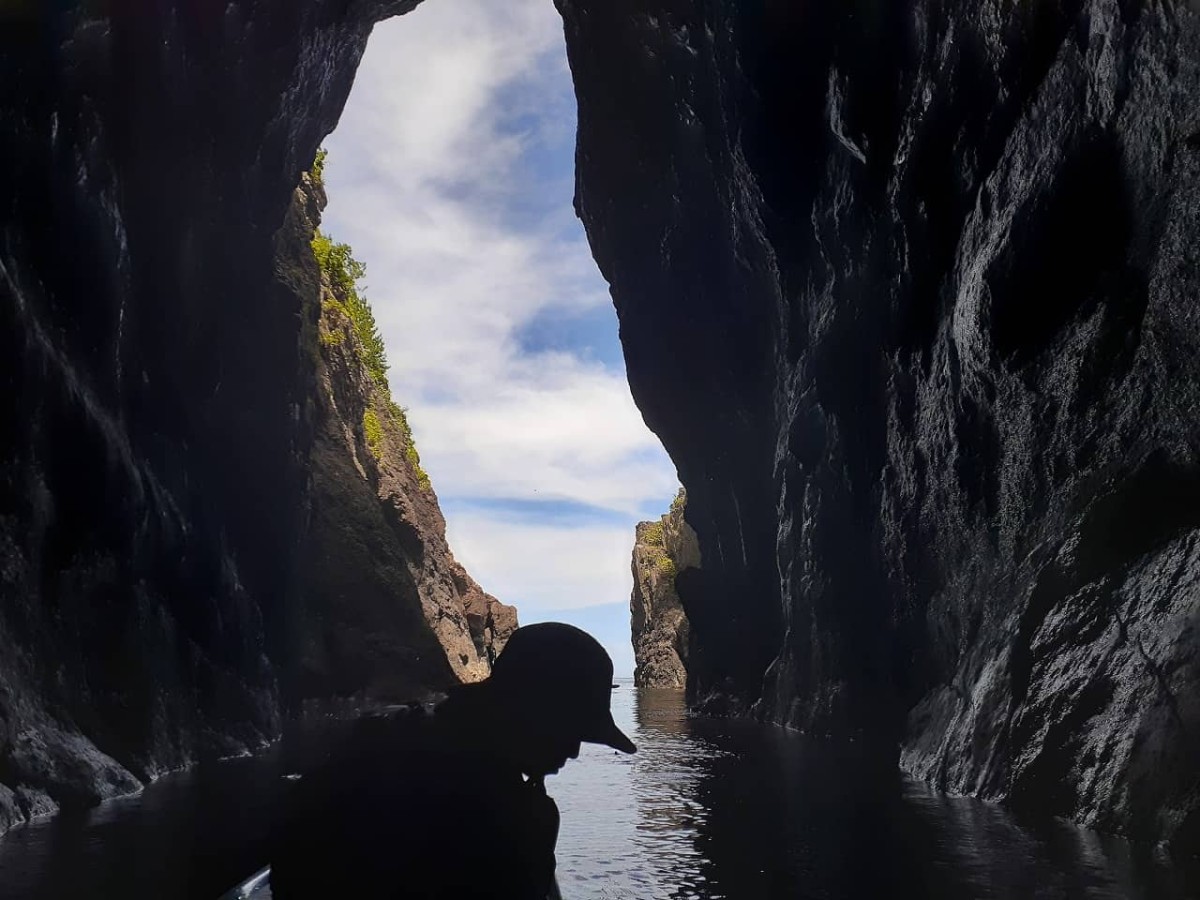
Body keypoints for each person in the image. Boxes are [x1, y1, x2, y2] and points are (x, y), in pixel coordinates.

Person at [269, 622, 636, 899]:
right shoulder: (504, 815)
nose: (573, 751)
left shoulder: (387, 739)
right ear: (530, 714)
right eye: (569, 731)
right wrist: (532, 836)